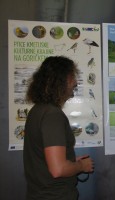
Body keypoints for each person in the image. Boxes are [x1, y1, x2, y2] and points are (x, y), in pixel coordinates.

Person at [23, 56, 94, 200]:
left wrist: (70, 158)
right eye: (73, 77)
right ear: (64, 79)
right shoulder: (52, 115)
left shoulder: (38, 110)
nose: (75, 82)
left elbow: (45, 157)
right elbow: (58, 169)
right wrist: (81, 166)